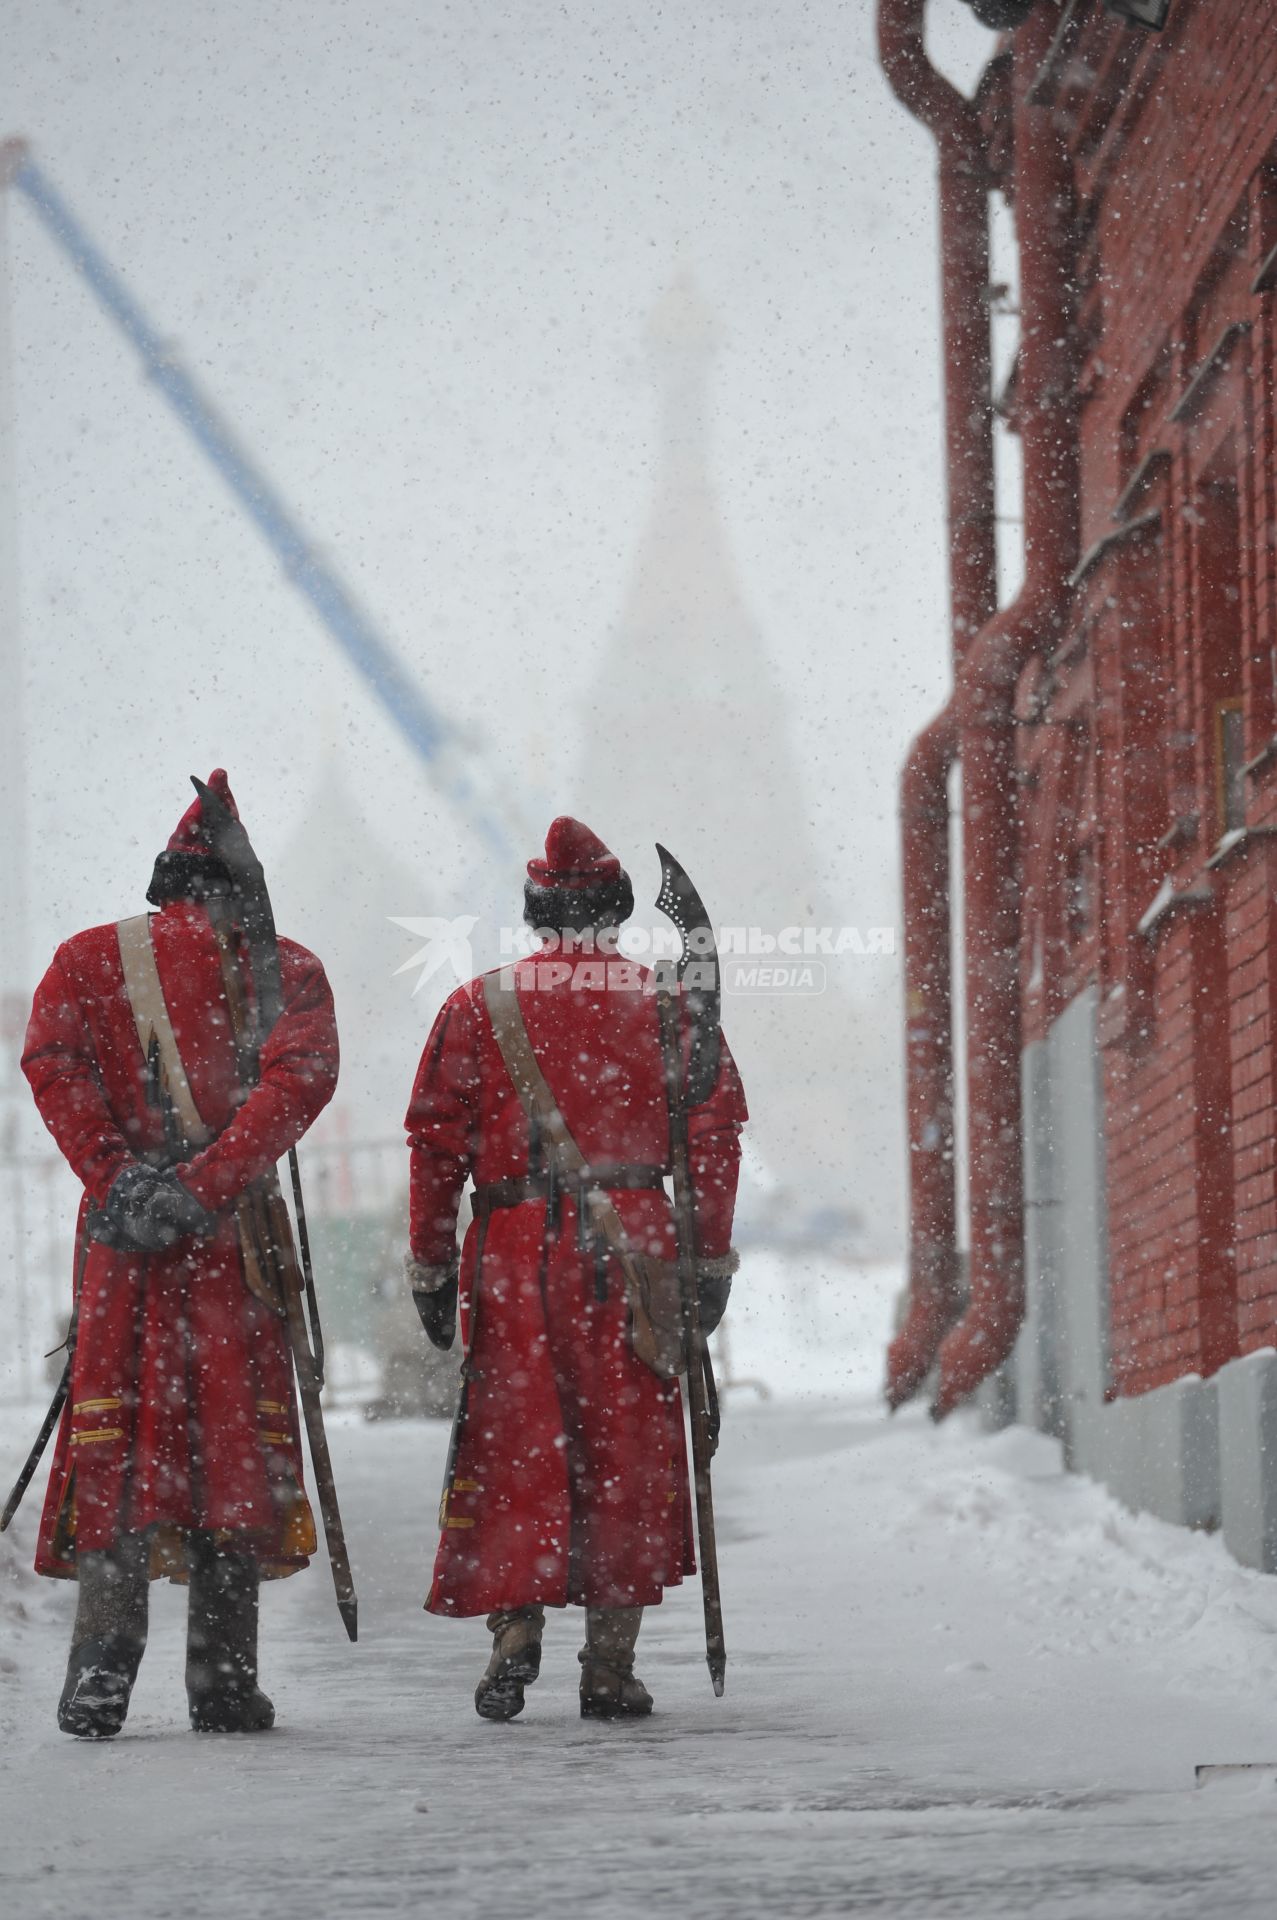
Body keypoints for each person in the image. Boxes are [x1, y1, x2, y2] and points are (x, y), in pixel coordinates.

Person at [405, 816, 746, 1721]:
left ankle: (514, 1634)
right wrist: (707, 1258)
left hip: (513, 1247)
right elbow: (712, 1138)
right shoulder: (667, 1000)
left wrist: (432, 1266)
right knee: (623, 1448)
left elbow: (434, 1147)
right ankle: (609, 1664)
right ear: (620, 909)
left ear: (535, 912)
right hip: (632, 1248)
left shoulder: (476, 1006)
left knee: (517, 1441)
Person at [21, 770, 339, 1738]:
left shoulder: (83, 961)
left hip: (124, 1246)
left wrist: (118, 1178)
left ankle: (99, 1677)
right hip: (230, 1245)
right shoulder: (286, 968)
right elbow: (296, 1088)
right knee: (228, 1456)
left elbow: (52, 1064)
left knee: (121, 1450)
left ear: (167, 882)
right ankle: (223, 1683)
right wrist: (203, 1188)